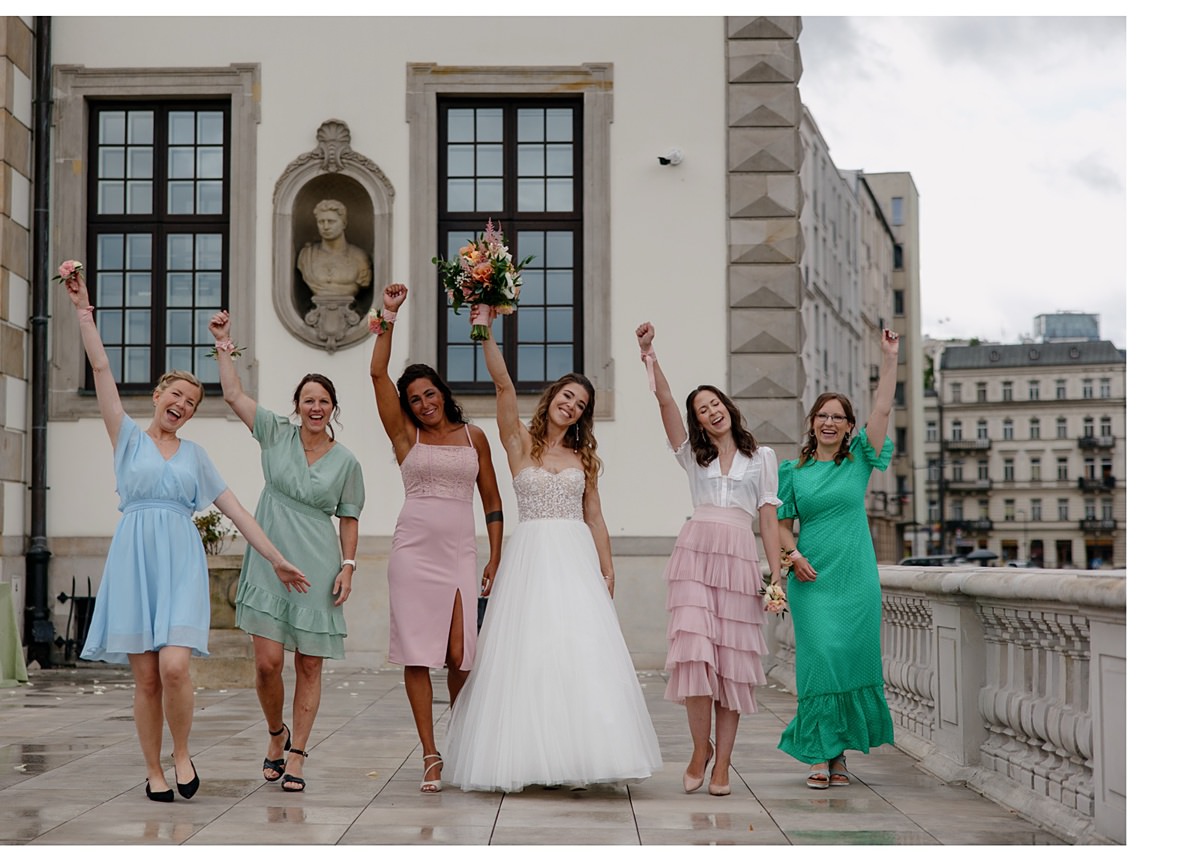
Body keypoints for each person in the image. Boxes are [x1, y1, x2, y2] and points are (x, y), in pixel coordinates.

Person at [61, 263, 307, 803]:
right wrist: (83, 309)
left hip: (179, 562)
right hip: (135, 560)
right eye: (175, 395)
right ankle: (153, 770)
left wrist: (276, 557)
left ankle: (181, 752)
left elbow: (238, 511)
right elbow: (100, 368)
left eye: (191, 403)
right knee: (146, 679)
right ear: (157, 396)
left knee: (175, 668)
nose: (182, 405)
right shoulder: (126, 438)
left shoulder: (196, 456)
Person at [442, 313, 662, 793]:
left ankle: (581, 756)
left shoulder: (583, 459)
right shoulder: (520, 443)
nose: (572, 406)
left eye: (581, 404)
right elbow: (503, 384)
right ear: (552, 397)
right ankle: (530, 758)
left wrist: (607, 569)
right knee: (531, 651)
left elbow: (595, 517)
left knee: (579, 650)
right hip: (532, 558)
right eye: (567, 396)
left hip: (575, 559)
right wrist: (485, 329)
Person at [208, 310, 365, 793]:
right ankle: (277, 733)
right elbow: (233, 394)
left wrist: (348, 567)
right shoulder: (275, 432)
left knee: (310, 664)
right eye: (308, 400)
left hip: (318, 564)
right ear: (296, 406)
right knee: (267, 664)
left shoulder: (347, 462)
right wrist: (223, 343)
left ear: (333, 408)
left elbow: (350, 517)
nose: (316, 407)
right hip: (269, 559)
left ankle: (297, 755)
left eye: (324, 401)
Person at [634, 322, 781, 796]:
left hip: (738, 560)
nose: (711, 412)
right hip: (695, 556)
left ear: (728, 408)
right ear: (697, 421)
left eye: (715, 404)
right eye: (702, 410)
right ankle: (701, 749)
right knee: (696, 658)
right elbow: (664, 402)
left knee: (732, 666)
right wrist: (649, 353)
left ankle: (724, 764)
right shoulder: (691, 456)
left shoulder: (763, 458)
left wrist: (776, 576)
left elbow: (768, 520)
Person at [369, 283, 503, 794]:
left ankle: (462, 740)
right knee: (417, 653)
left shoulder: (475, 437)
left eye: (429, 394)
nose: (423, 404)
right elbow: (377, 374)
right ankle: (430, 753)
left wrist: (495, 555)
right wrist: (389, 316)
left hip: (460, 551)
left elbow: (492, 501)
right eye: (414, 399)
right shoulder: (407, 436)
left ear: (443, 393)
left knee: (460, 652)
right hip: (413, 553)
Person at [776, 327, 900, 789]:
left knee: (848, 661)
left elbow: (882, 408)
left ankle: (838, 754)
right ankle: (817, 752)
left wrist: (890, 357)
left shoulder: (860, 460)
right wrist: (794, 555)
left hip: (856, 580)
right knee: (821, 662)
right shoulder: (792, 472)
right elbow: (780, 525)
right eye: (822, 415)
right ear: (812, 423)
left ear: (849, 426)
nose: (829, 422)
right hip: (811, 581)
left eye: (838, 417)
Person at [296, 199, 372, 298]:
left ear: (344, 223)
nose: (326, 227)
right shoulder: (307, 256)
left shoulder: (360, 257)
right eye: (321, 222)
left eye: (331, 221)